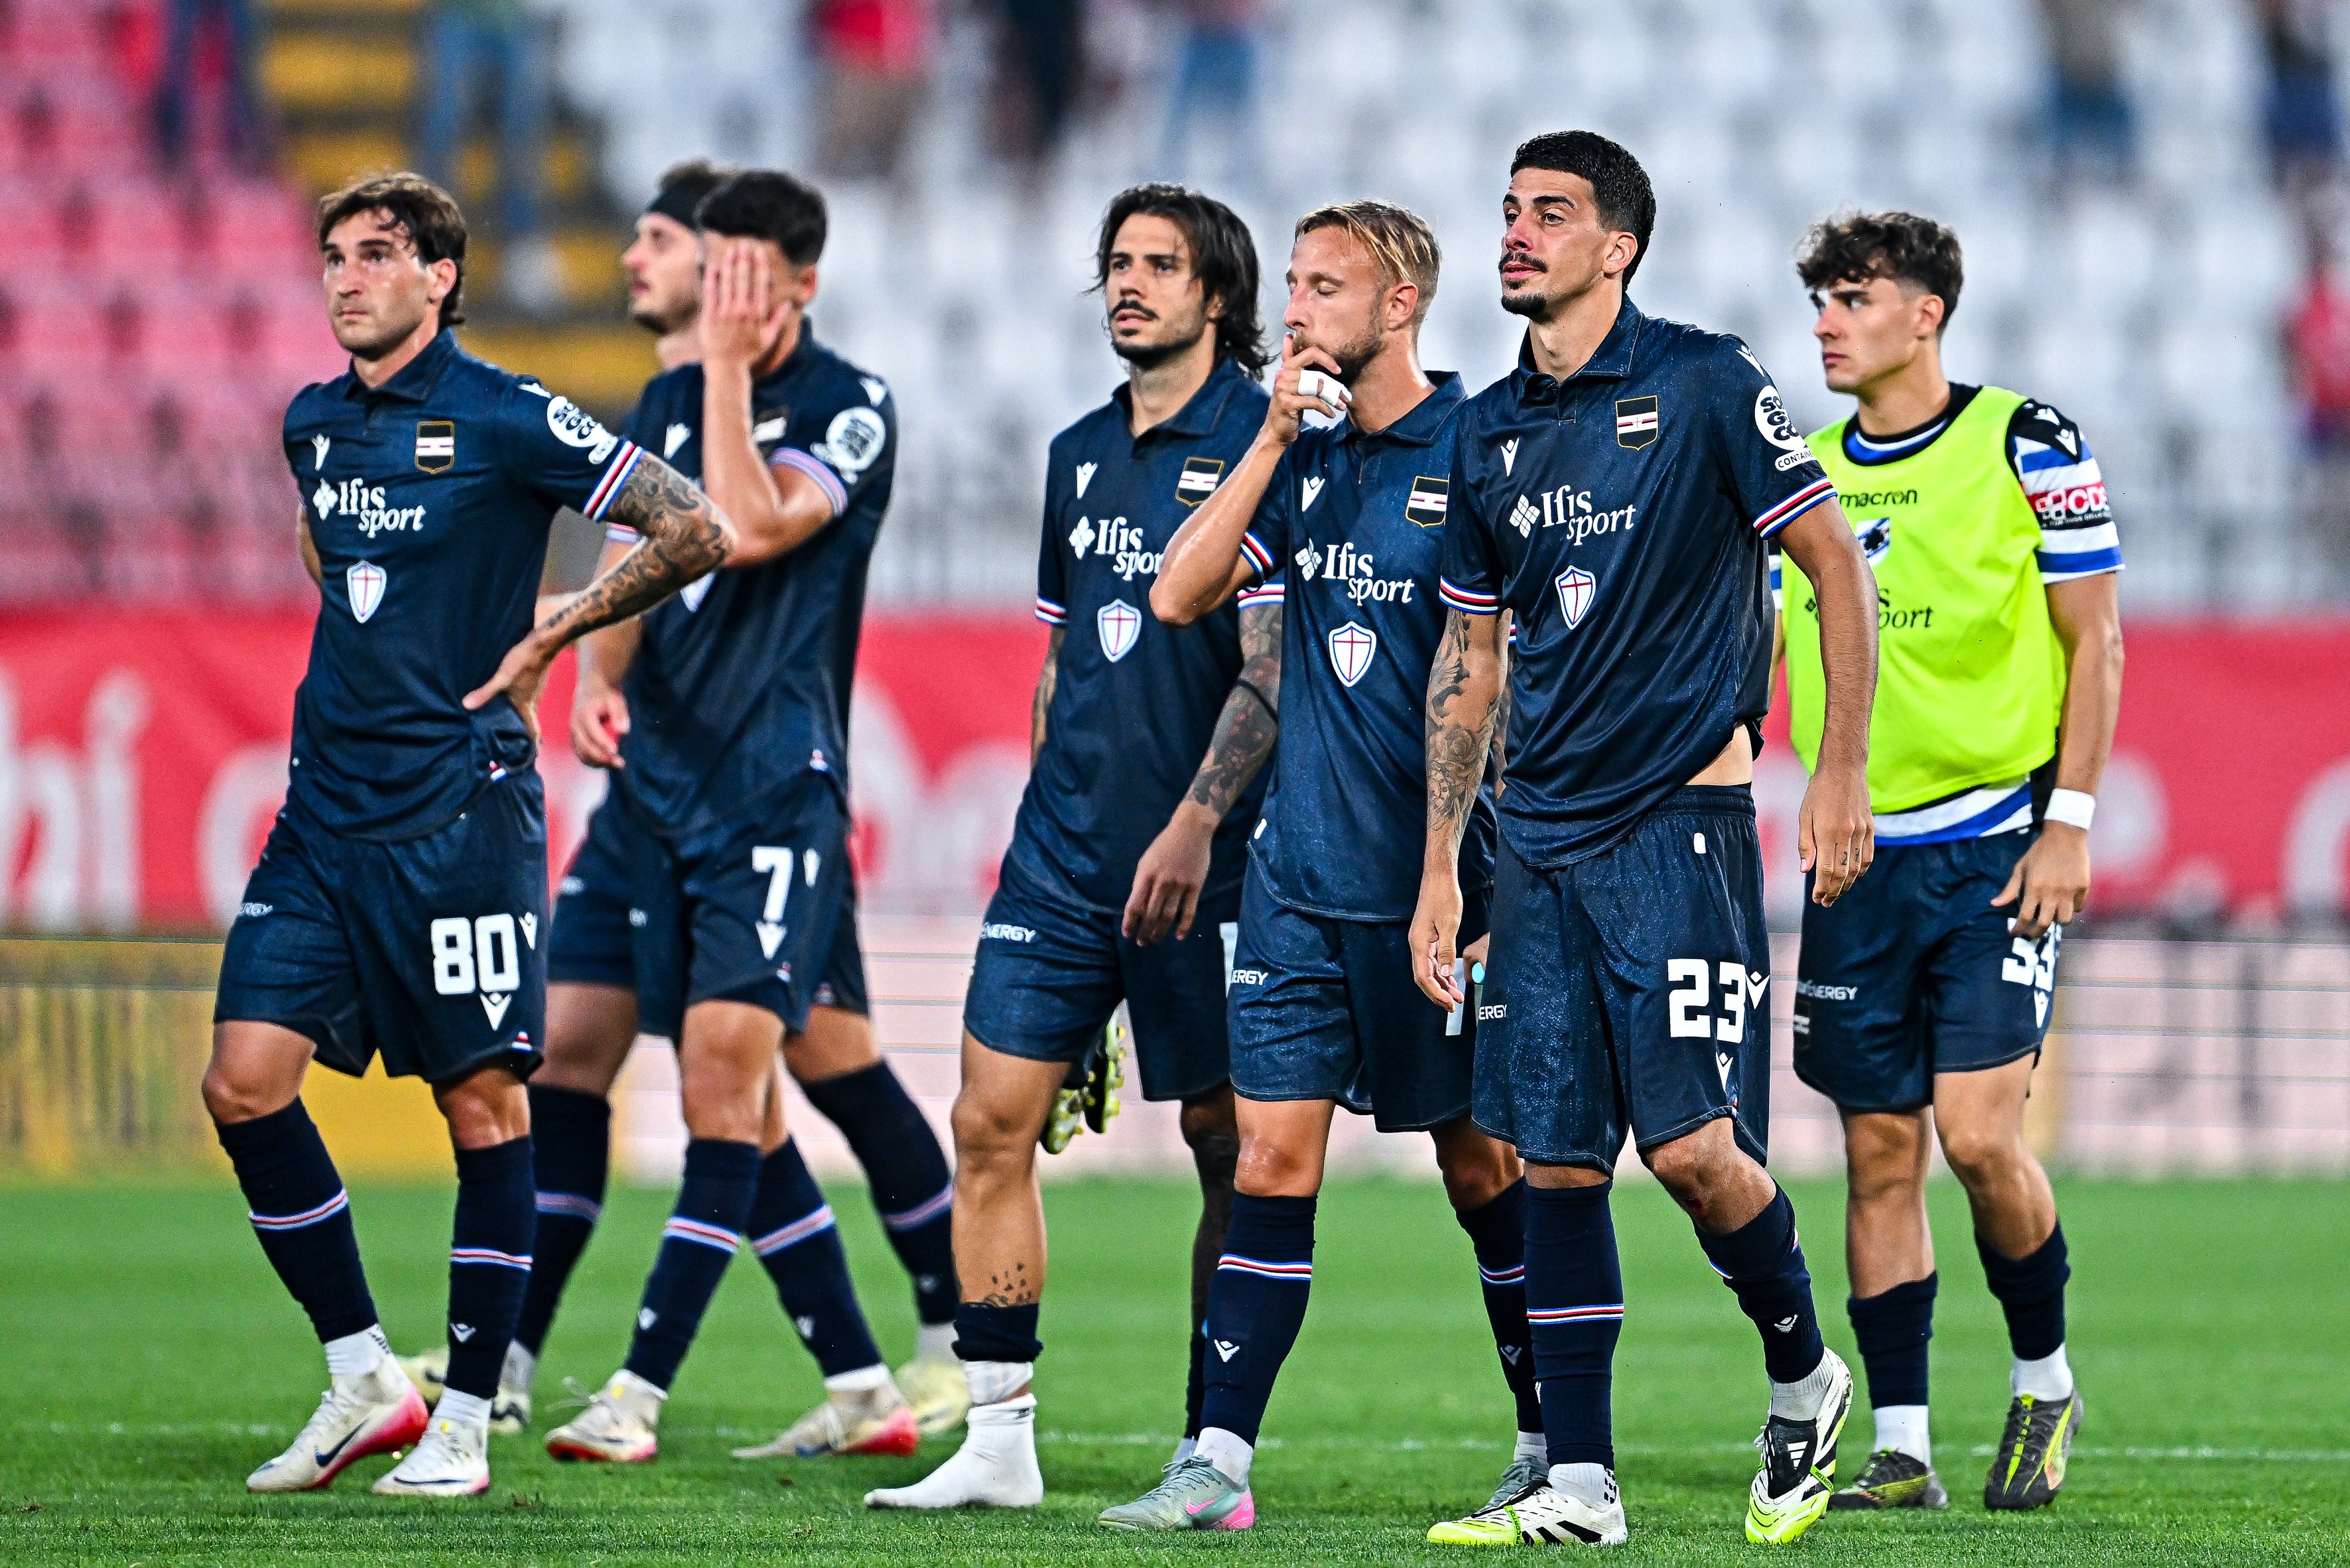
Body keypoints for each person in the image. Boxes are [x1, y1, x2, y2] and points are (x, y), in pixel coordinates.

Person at [402, 157, 967, 1447]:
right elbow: (632, 559)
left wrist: (720, 371)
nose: (709, 293)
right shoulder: (663, 395)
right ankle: (827, 1381)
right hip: (654, 791)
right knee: (589, 1050)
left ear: (796, 285)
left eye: (728, 272)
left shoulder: (849, 403)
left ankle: (897, 1350)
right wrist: (596, 672)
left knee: (790, 1072)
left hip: (769, 793)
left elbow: (743, 527)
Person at [207, 172, 730, 1498]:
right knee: (243, 1083)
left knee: (484, 1104)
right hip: (323, 809)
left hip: (461, 810)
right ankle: (361, 1377)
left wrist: (553, 632)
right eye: (334, 256)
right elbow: (334, 557)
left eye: (378, 255)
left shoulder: (506, 412)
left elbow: (695, 525)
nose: (347, 278)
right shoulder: (313, 422)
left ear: (440, 276)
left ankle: (465, 1418)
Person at [1410, 131, 1880, 1548]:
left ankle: (1803, 1371)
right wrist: (1440, 868)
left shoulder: (1704, 382)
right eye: (1507, 211)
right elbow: (1469, 660)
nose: (1515, 234)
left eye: (1549, 214)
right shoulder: (1485, 428)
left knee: (1689, 1153)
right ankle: (1580, 1485)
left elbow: (1832, 564)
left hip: (1678, 823)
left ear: (1617, 247)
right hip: (1538, 842)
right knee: (1552, 1162)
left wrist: (1838, 771)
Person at [1099, 200, 1535, 1534]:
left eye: (1324, 287)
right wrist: (1274, 436)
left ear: (1400, 305)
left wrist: (1465, 875)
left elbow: (1493, 677)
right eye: (1290, 284)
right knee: (1269, 1162)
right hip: (1296, 881)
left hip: (1433, 890)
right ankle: (1216, 1464)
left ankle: (1546, 1441)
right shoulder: (1303, 454)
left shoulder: (1479, 447)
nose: (1294, 309)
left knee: (1482, 1172)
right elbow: (1179, 597)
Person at [865, 183, 1277, 1512]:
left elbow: (1268, 669)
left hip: (1210, 862)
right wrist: (1050, 811)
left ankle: (1211, 1445)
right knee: (987, 1120)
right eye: (1116, 263)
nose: (1130, 284)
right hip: (1061, 858)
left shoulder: (1265, 444)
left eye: (1160, 264)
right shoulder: (1076, 452)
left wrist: (1197, 821)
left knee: (1225, 1144)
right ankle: (997, 1441)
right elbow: (1063, 661)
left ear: (1217, 294)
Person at [1784, 210, 2121, 1514]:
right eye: (1820, 301)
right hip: (1854, 860)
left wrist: (2068, 820)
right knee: (1878, 1154)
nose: (1826, 322)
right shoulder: (1804, 472)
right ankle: (1904, 1448)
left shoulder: (2025, 441)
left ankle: (2043, 1382)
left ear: (1924, 314)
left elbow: (2095, 640)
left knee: (1979, 1139)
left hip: (1993, 849)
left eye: (1851, 298)